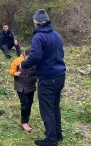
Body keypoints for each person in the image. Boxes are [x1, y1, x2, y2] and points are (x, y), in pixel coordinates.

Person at [20, 9, 66, 146]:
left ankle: (51, 140)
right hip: (60, 76)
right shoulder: (57, 35)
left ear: (37, 23)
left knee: (47, 109)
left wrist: (24, 64)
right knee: (54, 107)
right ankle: (57, 134)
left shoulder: (38, 37)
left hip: (48, 78)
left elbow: (35, 56)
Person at [8, 47, 37, 132]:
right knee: (25, 103)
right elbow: (11, 70)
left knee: (30, 103)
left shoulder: (36, 61)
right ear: (25, 55)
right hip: (20, 86)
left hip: (31, 86)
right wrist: (14, 73)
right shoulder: (17, 61)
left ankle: (26, 119)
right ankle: (24, 122)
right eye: (29, 57)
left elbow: (39, 72)